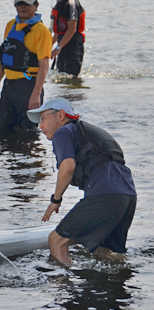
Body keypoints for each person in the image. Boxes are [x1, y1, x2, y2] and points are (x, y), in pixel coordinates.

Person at [27, 98, 137, 264]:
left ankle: (62, 286)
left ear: (61, 115)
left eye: (43, 119)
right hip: (127, 195)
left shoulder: (63, 132)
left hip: (106, 194)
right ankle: (115, 286)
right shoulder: (90, 131)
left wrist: (55, 200)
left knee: (57, 240)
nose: (40, 126)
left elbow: (68, 166)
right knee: (106, 252)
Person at [0, 0, 52, 133]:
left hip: (28, 86)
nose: (23, 7)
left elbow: (44, 65)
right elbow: (6, 57)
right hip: (9, 86)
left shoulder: (41, 31)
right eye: (20, 3)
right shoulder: (10, 25)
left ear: (36, 6)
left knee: (28, 134)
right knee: (2, 131)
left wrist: (36, 94)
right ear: (15, 6)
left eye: (27, 4)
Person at [50, 0, 86, 76]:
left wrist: (58, 48)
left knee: (71, 76)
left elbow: (72, 29)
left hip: (73, 46)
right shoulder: (60, 4)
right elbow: (59, 32)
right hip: (62, 45)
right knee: (61, 74)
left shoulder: (71, 4)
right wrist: (48, 45)